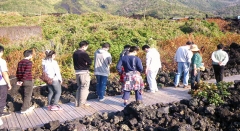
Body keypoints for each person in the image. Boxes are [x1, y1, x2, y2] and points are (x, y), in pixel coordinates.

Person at [73, 41, 92, 107]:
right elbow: (89, 62)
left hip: (77, 72)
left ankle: (77, 103)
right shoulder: (84, 53)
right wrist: (87, 65)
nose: (87, 48)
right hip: (84, 72)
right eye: (87, 46)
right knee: (84, 88)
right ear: (84, 46)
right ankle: (82, 103)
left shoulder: (75, 53)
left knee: (79, 87)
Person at [0, 45, 12, 126]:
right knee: (2, 99)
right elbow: (4, 73)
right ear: (1, 52)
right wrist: (9, 83)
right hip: (1, 83)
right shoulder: (2, 61)